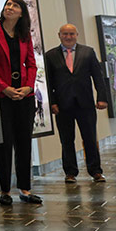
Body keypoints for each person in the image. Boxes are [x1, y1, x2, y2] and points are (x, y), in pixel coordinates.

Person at [0, 0, 41, 205]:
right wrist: (5, 88)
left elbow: (31, 64)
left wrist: (28, 87)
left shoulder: (24, 35)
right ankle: (4, 191)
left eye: (15, 5)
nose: (9, 8)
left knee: (23, 142)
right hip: (3, 96)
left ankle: (25, 189)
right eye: (7, 4)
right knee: (3, 144)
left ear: (21, 13)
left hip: (24, 97)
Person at [44, 24, 108, 183]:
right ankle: (70, 173)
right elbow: (48, 82)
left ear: (77, 34)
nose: (68, 36)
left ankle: (96, 172)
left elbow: (98, 77)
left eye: (71, 33)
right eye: (65, 34)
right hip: (62, 105)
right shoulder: (50, 55)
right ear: (59, 35)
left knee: (90, 138)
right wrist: (52, 103)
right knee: (66, 140)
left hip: (85, 103)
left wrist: (102, 97)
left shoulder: (88, 52)